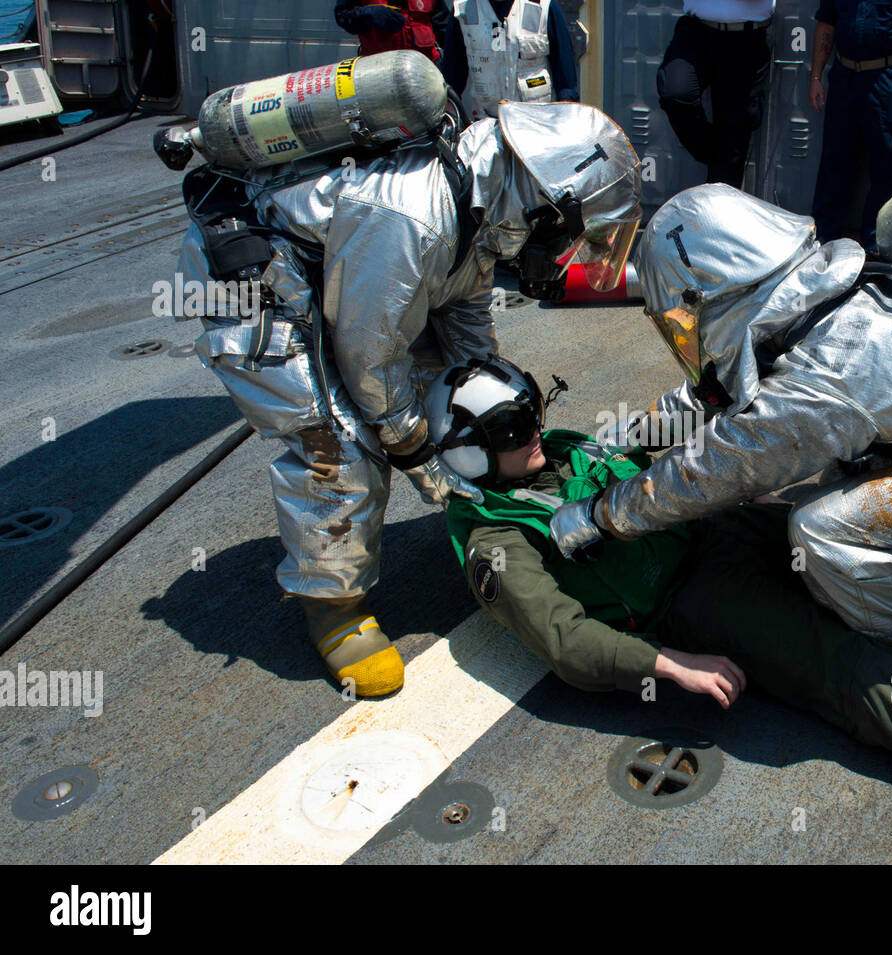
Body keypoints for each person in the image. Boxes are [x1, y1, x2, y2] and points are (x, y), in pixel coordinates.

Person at [430, 355, 892, 827]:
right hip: (692, 598)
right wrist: (668, 664)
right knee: (841, 664)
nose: (538, 431)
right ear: (470, 450)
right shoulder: (498, 541)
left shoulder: (551, 454)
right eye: (517, 427)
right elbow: (564, 638)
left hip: (716, 527)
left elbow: (635, 447)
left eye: (532, 411)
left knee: (888, 508)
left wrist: (718, 390)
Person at [174, 100, 642, 697]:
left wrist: (487, 385)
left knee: (456, 396)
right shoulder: (414, 214)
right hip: (258, 288)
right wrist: (417, 452)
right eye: (570, 227)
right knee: (340, 443)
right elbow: (369, 353)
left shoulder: (483, 203)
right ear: (548, 199)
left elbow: (462, 307)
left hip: (345, 282)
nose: (565, 243)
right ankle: (334, 606)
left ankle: (491, 502)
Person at [548, 184, 892, 671]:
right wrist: (632, 434)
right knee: (875, 471)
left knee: (822, 528)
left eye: (681, 312)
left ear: (706, 296)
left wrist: (602, 514)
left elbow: (720, 467)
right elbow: (720, 396)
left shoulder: (825, 368)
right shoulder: (828, 295)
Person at [809, 0, 892, 249]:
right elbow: (826, 22)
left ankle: (877, 250)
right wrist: (816, 76)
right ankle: (821, 243)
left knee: (890, 170)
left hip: (888, 80)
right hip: (844, 78)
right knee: (834, 164)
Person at [657, 0, 776, 188]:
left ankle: (719, 195)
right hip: (697, 30)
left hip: (746, 37)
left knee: (735, 129)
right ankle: (718, 155)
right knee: (676, 92)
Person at [436, 0, 580, 123]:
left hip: (538, 126)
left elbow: (566, 84)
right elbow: (452, 80)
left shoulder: (543, 6)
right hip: (486, 127)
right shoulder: (463, 10)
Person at [334, 0, 447, 63]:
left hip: (427, 69)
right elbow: (343, 16)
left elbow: (444, 27)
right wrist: (369, 14)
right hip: (378, 72)